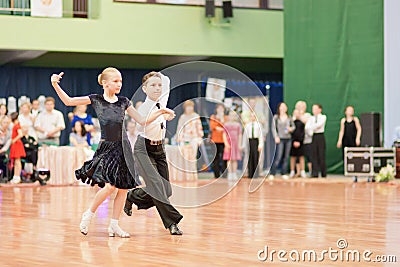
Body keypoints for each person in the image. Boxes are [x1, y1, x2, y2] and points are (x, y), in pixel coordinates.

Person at [51, 67, 174, 237]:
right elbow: (69, 101)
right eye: (116, 81)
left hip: (124, 148)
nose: (119, 84)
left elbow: (141, 120)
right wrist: (55, 84)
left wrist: (160, 112)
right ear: (105, 83)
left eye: (121, 81)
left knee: (123, 188)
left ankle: (114, 225)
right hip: (107, 148)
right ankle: (89, 214)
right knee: (109, 187)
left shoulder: (124, 101)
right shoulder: (96, 99)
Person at [124, 71, 184, 236]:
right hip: (143, 149)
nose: (157, 88)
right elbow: (140, 126)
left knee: (166, 190)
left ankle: (133, 196)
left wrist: (156, 75)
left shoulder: (162, 100)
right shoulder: (142, 108)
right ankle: (172, 222)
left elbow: (167, 79)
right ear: (144, 89)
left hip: (160, 149)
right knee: (157, 186)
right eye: (153, 85)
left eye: (159, 85)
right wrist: (162, 114)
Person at [336, 106, 362, 182]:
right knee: (345, 155)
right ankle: (347, 170)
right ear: (345, 112)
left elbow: (359, 129)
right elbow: (342, 131)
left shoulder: (355, 119)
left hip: (353, 140)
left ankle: (355, 171)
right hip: (346, 140)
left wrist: (358, 138)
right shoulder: (343, 121)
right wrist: (339, 140)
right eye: (349, 110)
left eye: (352, 110)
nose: (350, 111)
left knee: (354, 155)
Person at [270, 102, 294, 180]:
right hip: (280, 139)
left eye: (284, 106)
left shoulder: (289, 117)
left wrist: (291, 129)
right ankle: (272, 173)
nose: (283, 108)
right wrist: (276, 137)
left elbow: (293, 126)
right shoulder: (276, 117)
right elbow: (273, 128)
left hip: (288, 139)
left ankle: (283, 172)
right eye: (282, 106)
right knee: (278, 156)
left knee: (286, 157)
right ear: (279, 108)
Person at [307, 104, 327, 178]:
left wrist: (312, 127)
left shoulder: (323, 117)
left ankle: (323, 173)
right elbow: (307, 127)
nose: (314, 110)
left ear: (319, 109)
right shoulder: (311, 118)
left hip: (320, 136)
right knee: (313, 155)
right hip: (314, 136)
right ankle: (314, 173)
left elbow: (319, 125)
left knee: (321, 155)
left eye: (315, 109)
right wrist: (312, 128)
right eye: (313, 109)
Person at [222, 111, 242, 180]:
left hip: (235, 143)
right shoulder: (226, 124)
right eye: (231, 115)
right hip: (229, 144)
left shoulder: (238, 125)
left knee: (234, 159)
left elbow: (240, 135)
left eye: (234, 115)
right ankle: (230, 173)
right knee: (229, 159)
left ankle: (234, 173)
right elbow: (224, 134)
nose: (232, 117)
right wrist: (226, 143)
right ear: (228, 116)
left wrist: (239, 144)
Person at [209, 104, 228, 178]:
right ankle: (216, 174)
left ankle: (224, 173)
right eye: (219, 108)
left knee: (224, 157)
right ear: (216, 109)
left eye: (222, 109)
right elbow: (213, 126)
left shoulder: (226, 118)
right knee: (215, 157)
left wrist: (222, 120)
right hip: (215, 140)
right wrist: (219, 127)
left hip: (224, 140)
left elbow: (226, 126)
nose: (220, 110)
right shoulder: (213, 117)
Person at [295, 101, 312, 176]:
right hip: (298, 140)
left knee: (309, 156)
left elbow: (306, 122)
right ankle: (299, 172)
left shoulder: (308, 115)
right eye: (299, 107)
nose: (301, 108)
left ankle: (311, 171)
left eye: (302, 107)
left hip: (307, 140)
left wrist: (300, 116)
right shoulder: (295, 116)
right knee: (298, 156)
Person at [243, 113, 263, 178]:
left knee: (256, 157)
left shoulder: (259, 125)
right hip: (249, 141)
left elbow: (261, 135)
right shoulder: (247, 125)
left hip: (256, 141)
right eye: (251, 116)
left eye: (254, 116)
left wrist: (260, 144)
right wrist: (243, 145)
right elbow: (245, 136)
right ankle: (250, 173)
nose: (252, 118)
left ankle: (256, 174)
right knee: (249, 158)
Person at [9, 112, 26, 184]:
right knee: (16, 161)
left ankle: (17, 176)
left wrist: (14, 140)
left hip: (17, 144)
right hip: (15, 144)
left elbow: (20, 134)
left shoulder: (17, 125)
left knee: (18, 161)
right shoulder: (15, 125)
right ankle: (15, 176)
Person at [289, 109, 306, 178]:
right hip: (293, 143)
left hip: (300, 143)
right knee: (293, 157)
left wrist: (299, 141)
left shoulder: (302, 124)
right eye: (295, 113)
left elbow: (302, 133)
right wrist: (293, 141)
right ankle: (292, 171)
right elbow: (290, 133)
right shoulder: (291, 123)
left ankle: (302, 171)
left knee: (301, 157)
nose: (297, 114)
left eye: (298, 113)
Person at [0, 116, 12, 181]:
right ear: (1, 123)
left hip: (3, 150)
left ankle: (4, 177)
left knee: (3, 157)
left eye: (7, 123)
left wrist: (2, 150)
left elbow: (7, 144)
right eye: (4, 122)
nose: (6, 124)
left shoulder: (10, 132)